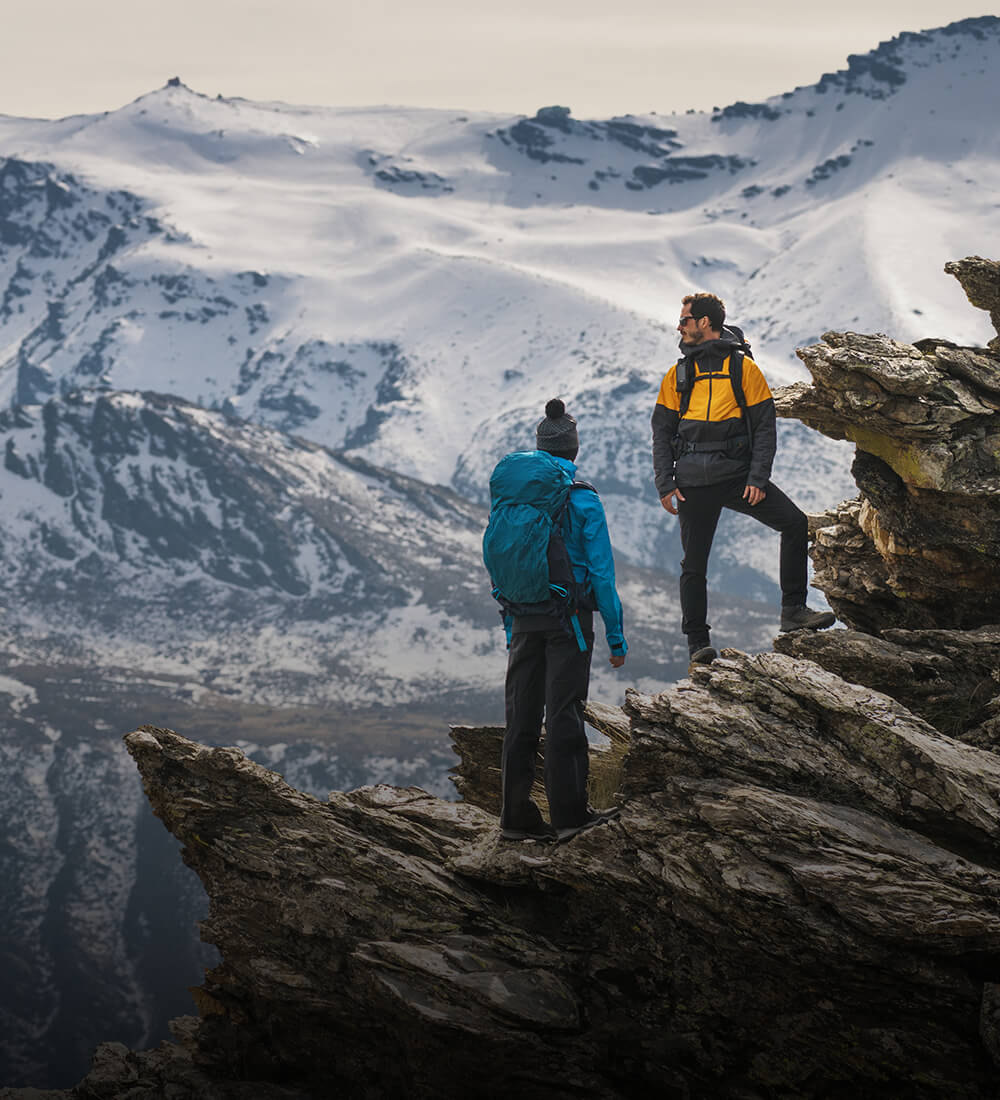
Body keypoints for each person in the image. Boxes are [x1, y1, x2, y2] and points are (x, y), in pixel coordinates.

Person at [652, 292, 835, 664]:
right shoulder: (678, 374)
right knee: (694, 563)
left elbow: (764, 428)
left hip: (737, 477)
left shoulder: (743, 368)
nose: (679, 326)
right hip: (691, 483)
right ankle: (697, 645)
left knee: (795, 523)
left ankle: (793, 613)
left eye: (685, 320)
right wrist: (665, 483)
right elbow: (661, 431)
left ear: (705, 323)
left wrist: (757, 477)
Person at [500, 399, 628, 843]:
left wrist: (510, 624)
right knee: (564, 713)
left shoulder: (519, 494)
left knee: (520, 716)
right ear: (573, 451)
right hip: (568, 620)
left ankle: (515, 818)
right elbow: (602, 573)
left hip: (522, 615)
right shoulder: (582, 498)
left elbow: (513, 558)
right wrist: (615, 635)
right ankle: (570, 816)